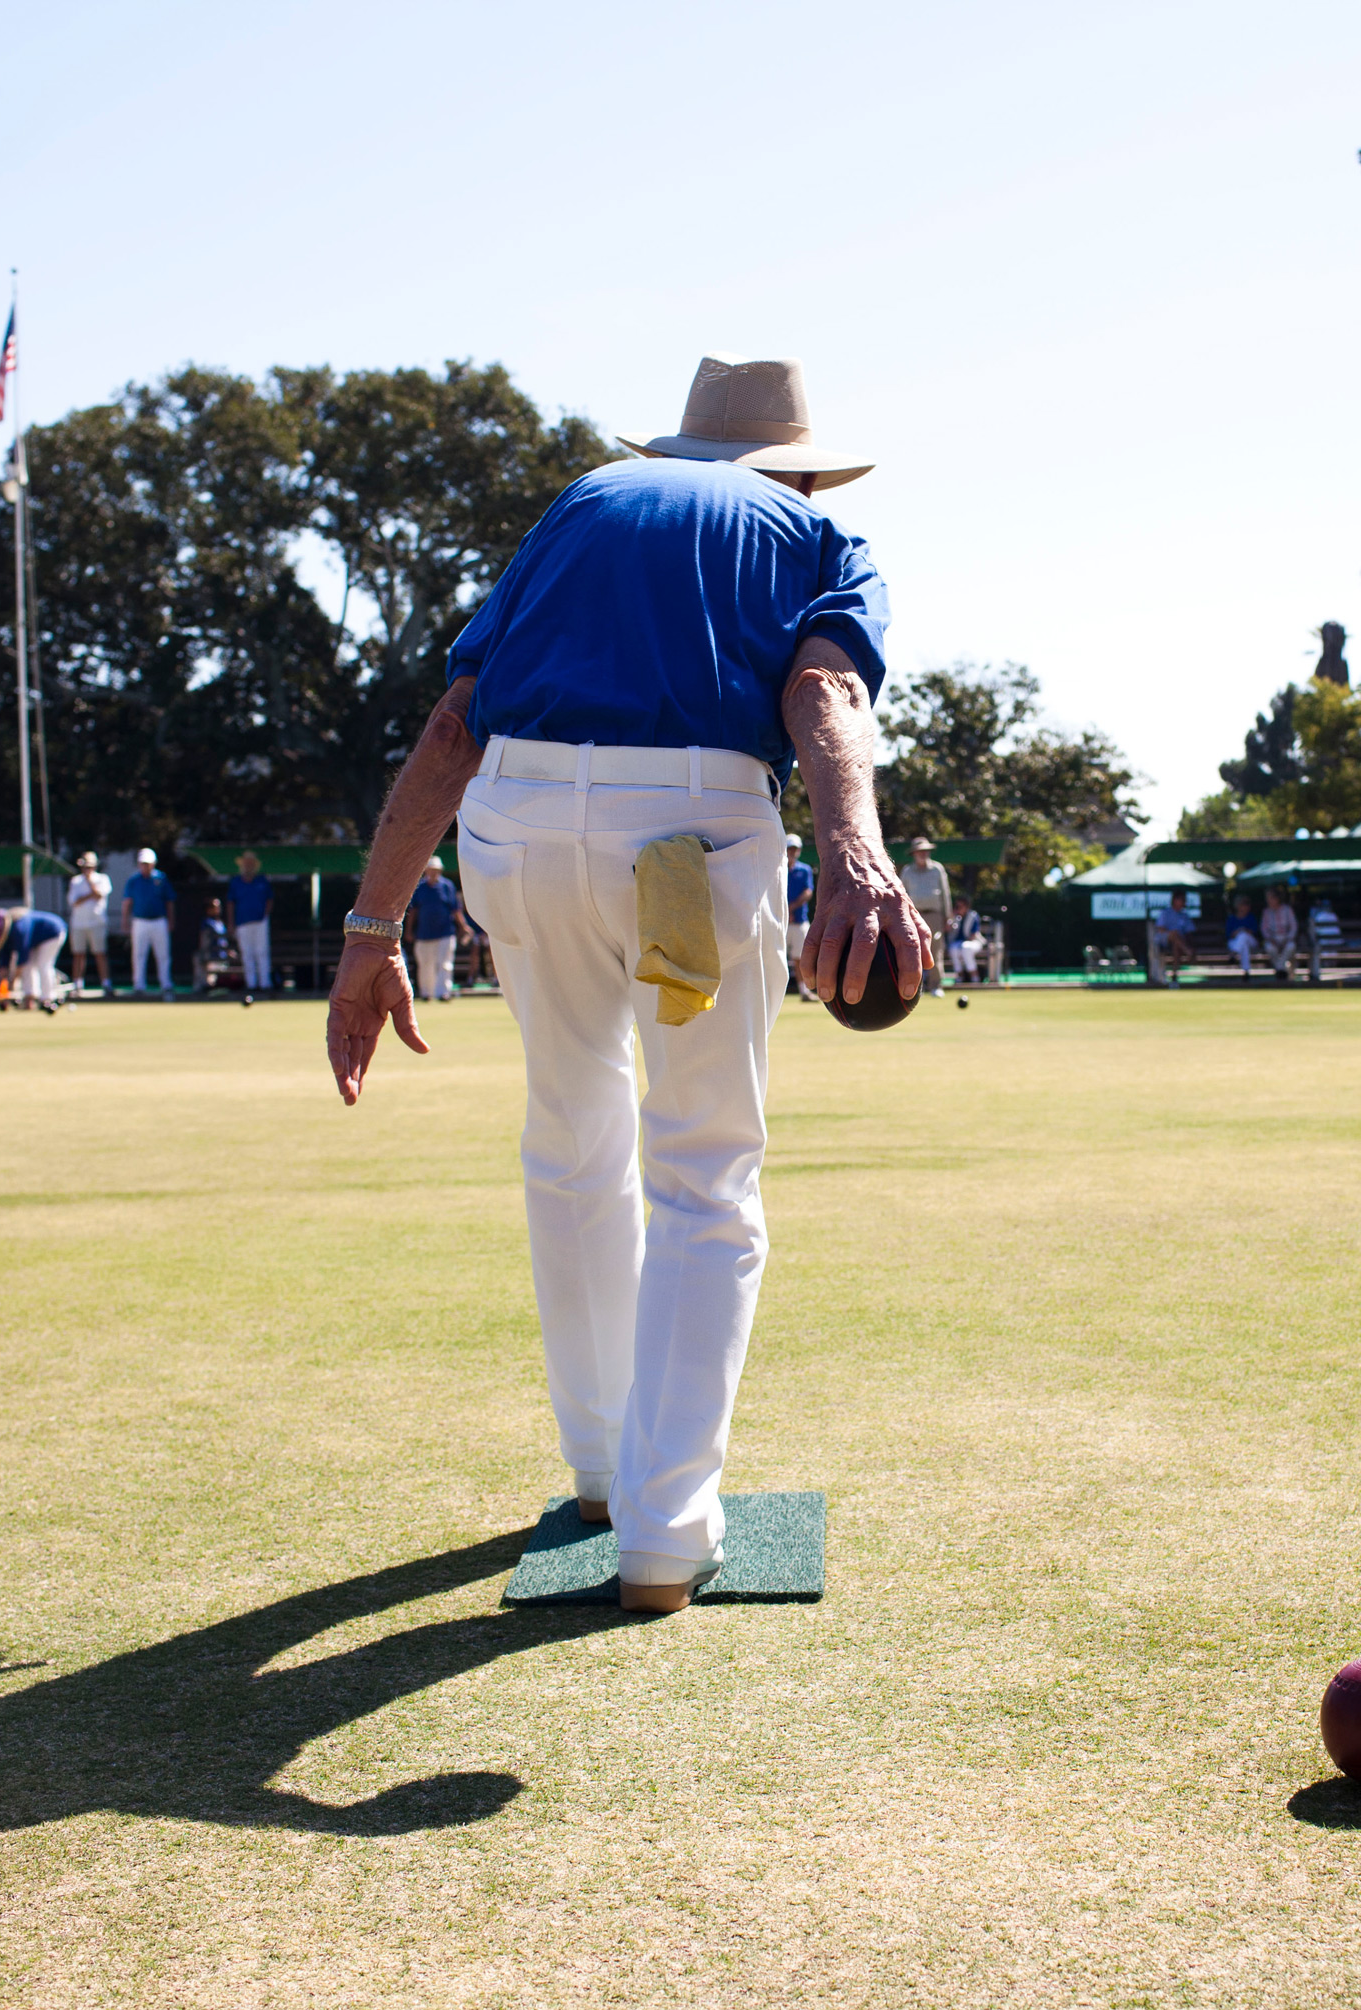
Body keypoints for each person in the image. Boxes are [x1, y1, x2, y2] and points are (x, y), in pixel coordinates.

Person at [324, 353, 924, 1615]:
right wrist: (856, 854)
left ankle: (599, 1472)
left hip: (518, 824)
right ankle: (663, 1532)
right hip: (692, 833)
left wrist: (372, 930)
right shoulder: (817, 529)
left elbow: (454, 726)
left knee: (570, 1132)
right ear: (797, 464)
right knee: (703, 1169)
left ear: (676, 451)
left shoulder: (582, 507)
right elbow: (819, 688)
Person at [0, 905, 66, 1010]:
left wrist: (12, 983)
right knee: (29, 966)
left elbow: (22, 960)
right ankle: (29, 998)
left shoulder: (19, 929)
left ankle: (48, 998)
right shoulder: (4, 938)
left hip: (53, 932)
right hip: (36, 940)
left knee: (43, 964)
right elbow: (4, 965)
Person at [900, 837, 951, 994]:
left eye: (925, 851)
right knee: (913, 951)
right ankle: (916, 986)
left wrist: (948, 916)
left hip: (934, 915)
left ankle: (936, 986)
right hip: (914, 916)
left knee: (936, 950)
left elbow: (945, 893)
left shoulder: (937, 869)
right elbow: (901, 895)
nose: (923, 854)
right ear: (914, 853)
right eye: (919, 851)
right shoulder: (907, 871)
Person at [408, 857, 464, 1002]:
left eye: (436, 870)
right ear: (426, 870)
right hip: (424, 933)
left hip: (445, 932)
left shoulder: (447, 886)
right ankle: (427, 993)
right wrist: (408, 930)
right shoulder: (419, 887)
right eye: (431, 870)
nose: (434, 873)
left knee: (445, 964)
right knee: (425, 964)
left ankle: (443, 993)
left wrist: (463, 926)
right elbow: (413, 911)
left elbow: (455, 909)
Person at [122, 847, 175, 996]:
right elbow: (127, 902)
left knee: (163, 954)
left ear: (154, 863)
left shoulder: (161, 878)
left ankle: (166, 984)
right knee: (139, 954)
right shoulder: (133, 880)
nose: (145, 866)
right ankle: (139, 985)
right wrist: (124, 921)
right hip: (140, 922)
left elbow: (169, 901)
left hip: (159, 921)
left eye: (148, 863)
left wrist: (171, 920)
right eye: (143, 863)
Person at [64, 851, 114, 996]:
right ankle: (77, 984)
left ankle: (106, 984)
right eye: (85, 867)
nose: (87, 869)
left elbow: (99, 895)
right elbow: (74, 902)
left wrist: (90, 885)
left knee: (100, 954)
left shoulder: (102, 879)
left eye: (90, 866)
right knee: (78, 954)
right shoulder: (75, 881)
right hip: (78, 924)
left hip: (97, 922)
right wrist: (89, 896)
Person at [226, 853, 274, 996]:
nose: (248, 866)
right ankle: (251, 984)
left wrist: (265, 916)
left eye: (250, 863)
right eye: (246, 863)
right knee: (247, 954)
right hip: (242, 923)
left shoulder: (262, 881)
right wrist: (231, 923)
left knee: (262, 952)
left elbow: (269, 899)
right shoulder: (235, 882)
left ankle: (265, 984)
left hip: (260, 922)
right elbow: (230, 903)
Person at [783, 832, 814, 993]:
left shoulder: (805, 869)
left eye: (795, 849)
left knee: (800, 958)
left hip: (800, 920)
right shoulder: (778, 869)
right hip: (780, 922)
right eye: (790, 849)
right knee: (777, 957)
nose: (792, 852)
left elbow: (808, 892)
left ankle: (804, 991)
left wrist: (792, 908)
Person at [1150, 889, 1195, 977]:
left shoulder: (1184, 915)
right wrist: (1173, 933)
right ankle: (1188, 952)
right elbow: (1160, 929)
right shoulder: (1165, 913)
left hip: (1178, 942)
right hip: (1164, 939)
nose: (1184, 902)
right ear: (1175, 900)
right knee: (1174, 934)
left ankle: (1175, 975)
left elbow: (1190, 931)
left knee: (1176, 945)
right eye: (1182, 900)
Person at [197, 898, 234, 995]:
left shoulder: (220, 923)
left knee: (222, 983)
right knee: (211, 983)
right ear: (208, 909)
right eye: (214, 907)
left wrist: (228, 951)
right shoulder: (207, 923)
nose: (217, 909)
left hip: (222, 957)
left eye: (218, 907)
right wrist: (205, 955)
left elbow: (223, 941)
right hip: (212, 957)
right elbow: (204, 941)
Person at [1260, 888, 1298, 979]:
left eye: (1271, 898)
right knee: (1269, 948)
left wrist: (1288, 938)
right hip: (1273, 939)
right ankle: (1282, 970)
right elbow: (1264, 929)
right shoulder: (1266, 912)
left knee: (1291, 947)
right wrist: (1271, 939)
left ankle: (1280, 970)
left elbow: (1293, 926)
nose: (1268, 900)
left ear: (1277, 898)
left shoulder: (1287, 910)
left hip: (1286, 938)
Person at [1223, 894, 1261, 976]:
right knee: (1244, 944)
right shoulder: (1232, 919)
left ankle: (1234, 953)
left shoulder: (1251, 918)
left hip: (1251, 941)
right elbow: (1229, 935)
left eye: (1247, 905)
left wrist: (1243, 930)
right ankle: (1246, 971)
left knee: (1244, 936)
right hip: (1235, 942)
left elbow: (1254, 932)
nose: (1246, 907)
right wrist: (1237, 932)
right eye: (1243, 905)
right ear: (1237, 906)